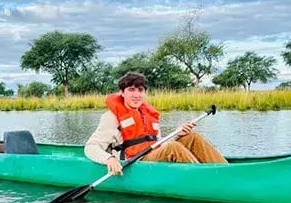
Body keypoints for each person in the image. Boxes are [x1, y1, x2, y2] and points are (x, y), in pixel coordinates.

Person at [85, 72, 227, 175]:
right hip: (134, 160)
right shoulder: (111, 117)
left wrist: (177, 133)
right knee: (173, 147)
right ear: (122, 93)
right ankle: (205, 178)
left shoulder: (147, 114)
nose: (136, 95)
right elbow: (91, 147)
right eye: (131, 90)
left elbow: (158, 143)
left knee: (193, 137)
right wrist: (108, 159)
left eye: (140, 90)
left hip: (152, 154)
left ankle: (225, 171)